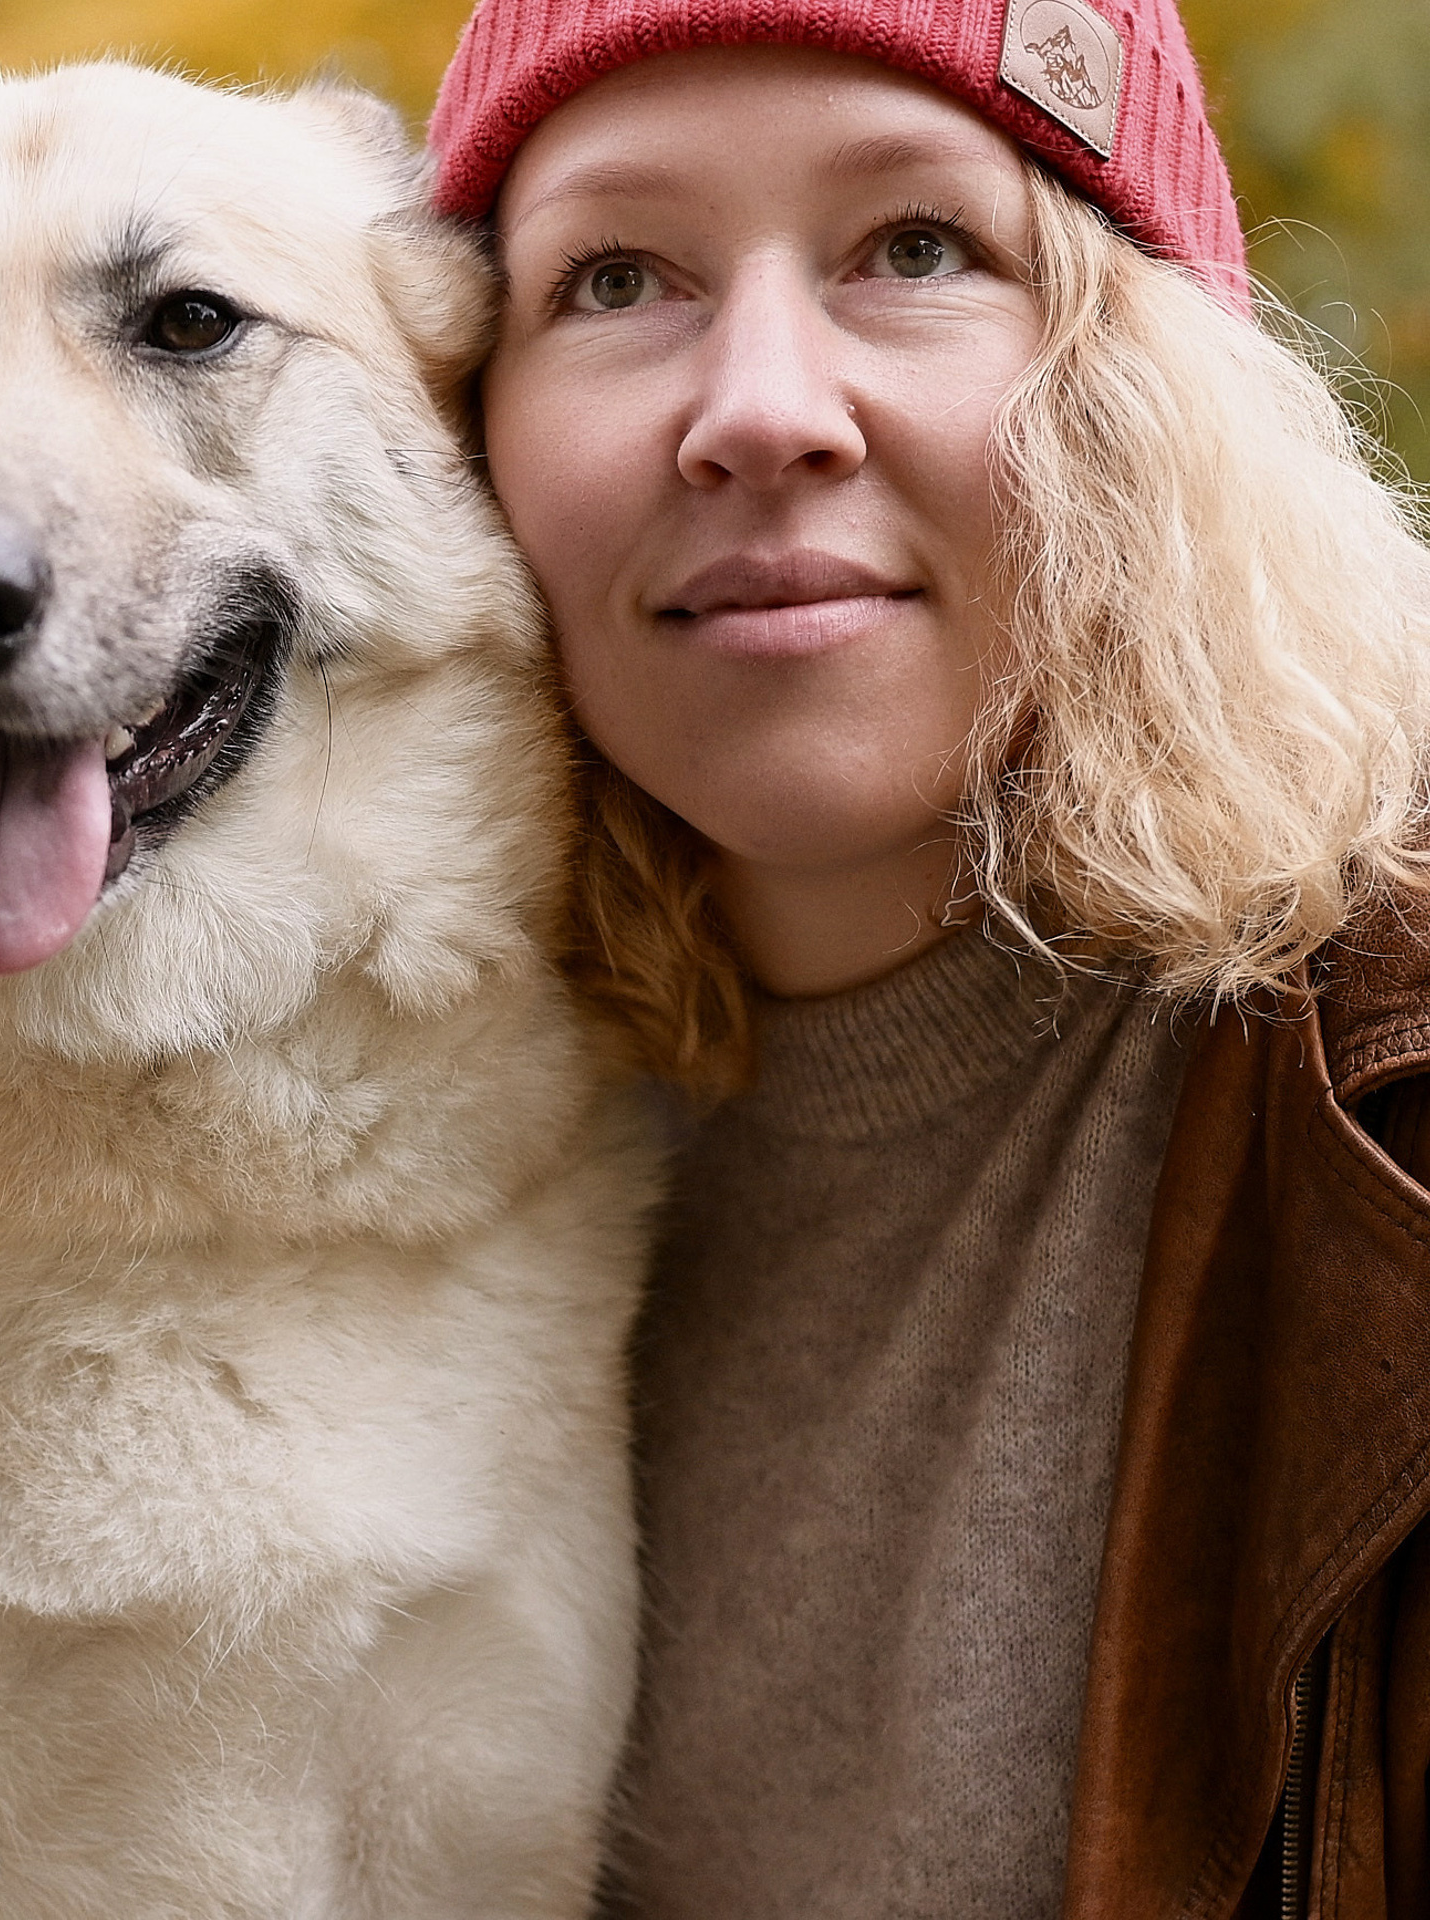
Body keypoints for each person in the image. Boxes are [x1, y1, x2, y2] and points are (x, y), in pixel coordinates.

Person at [426, 2, 1430, 1915]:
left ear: (1153, 381)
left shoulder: (1406, 1061)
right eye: (617, 276)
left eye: (916, 248)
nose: (760, 406)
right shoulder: (350, 1159)